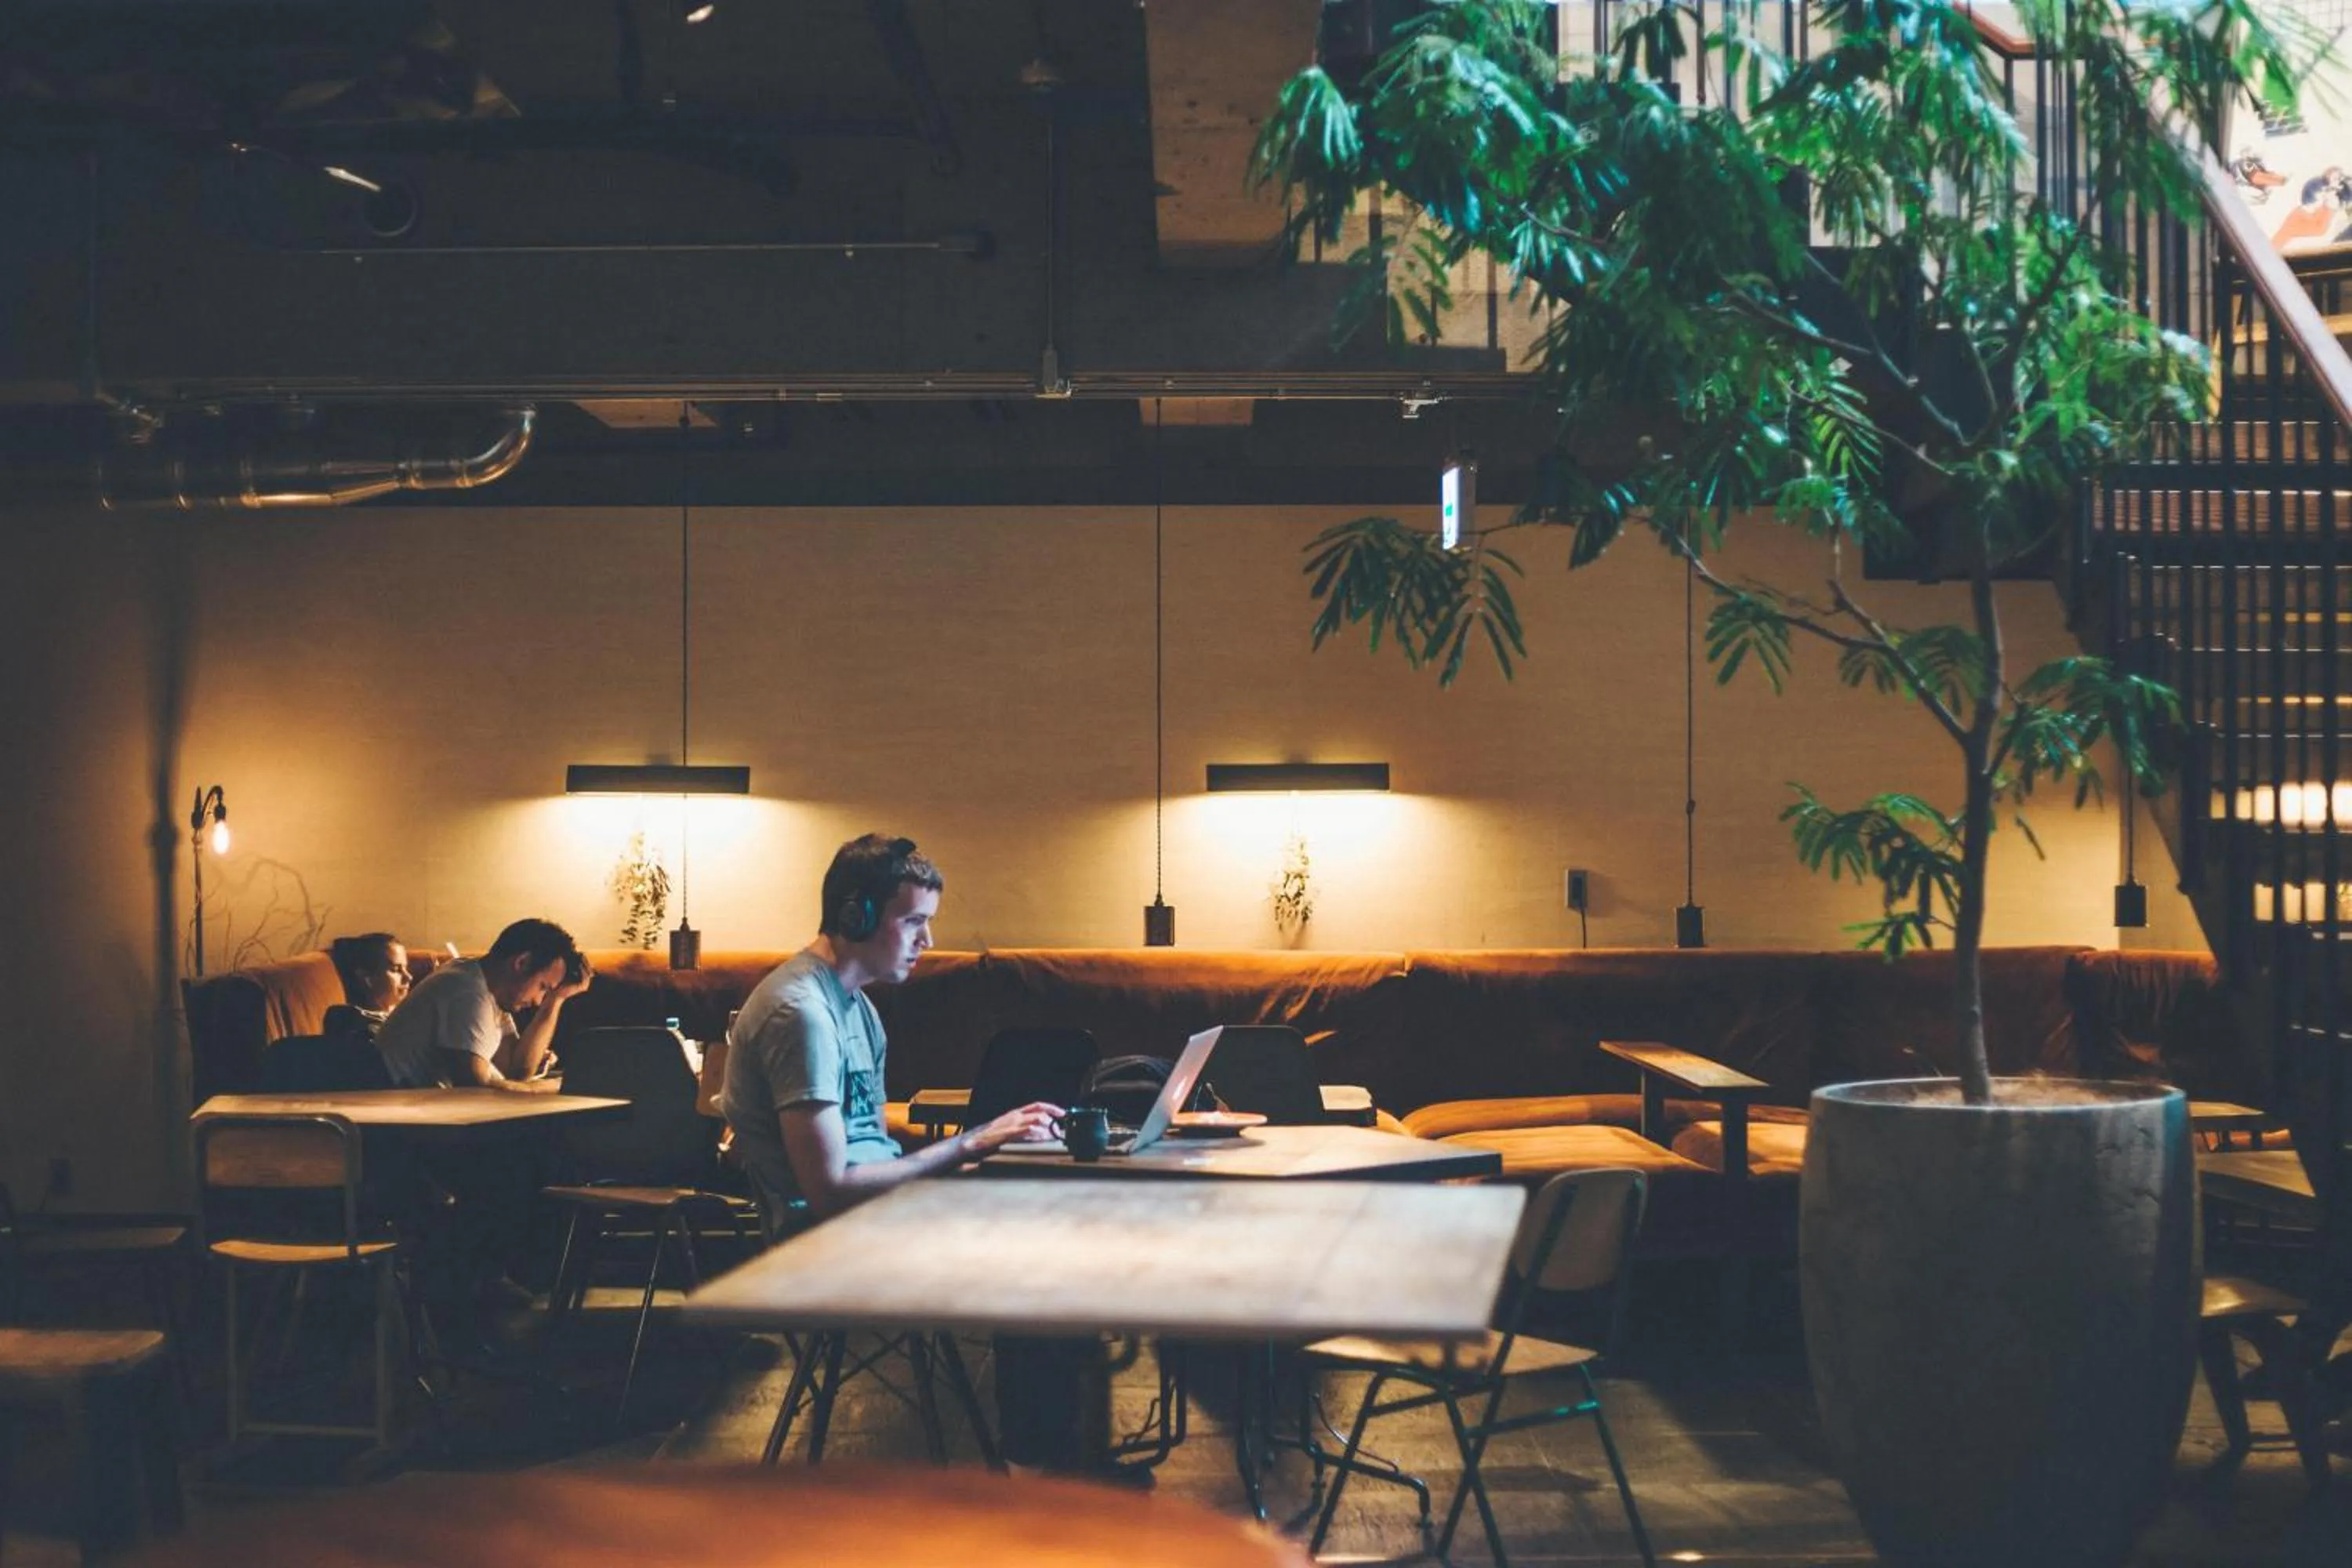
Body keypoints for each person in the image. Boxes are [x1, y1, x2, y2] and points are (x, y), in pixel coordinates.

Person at [723, 835, 1086, 1469]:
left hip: (876, 1220)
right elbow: (831, 1186)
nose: (928, 942)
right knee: (1048, 1246)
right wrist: (969, 1145)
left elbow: (872, 1142)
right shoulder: (800, 1013)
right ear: (855, 915)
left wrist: (983, 1145)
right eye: (914, 922)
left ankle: (1052, 1451)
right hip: (825, 1241)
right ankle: (1048, 1463)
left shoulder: (858, 1008)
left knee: (1058, 1211)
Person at [374, 918, 590, 1091]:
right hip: (394, 1116)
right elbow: (477, 1093)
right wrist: (550, 1088)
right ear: (521, 963)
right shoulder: (467, 991)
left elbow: (517, 1070)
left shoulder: (489, 989)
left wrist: (555, 1000)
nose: (537, 1001)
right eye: (543, 987)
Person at [322, 931, 408, 1050]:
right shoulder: (350, 1020)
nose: (409, 977)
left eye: (405, 968)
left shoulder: (411, 1012)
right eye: (396, 970)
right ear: (367, 977)